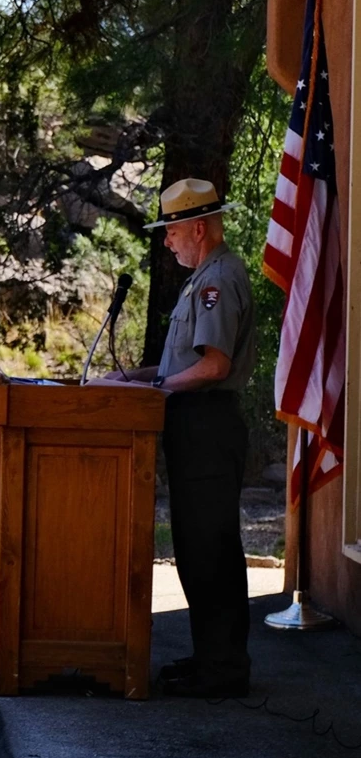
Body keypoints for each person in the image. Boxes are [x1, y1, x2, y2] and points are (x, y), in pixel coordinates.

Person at [106, 178, 255, 698]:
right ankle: (210, 657)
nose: (167, 242)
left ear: (197, 228)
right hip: (193, 423)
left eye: (171, 231)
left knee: (210, 545)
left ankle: (225, 669)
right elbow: (182, 364)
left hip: (208, 425)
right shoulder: (202, 280)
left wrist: (161, 388)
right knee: (195, 547)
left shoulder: (219, 281)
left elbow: (213, 366)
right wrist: (135, 379)